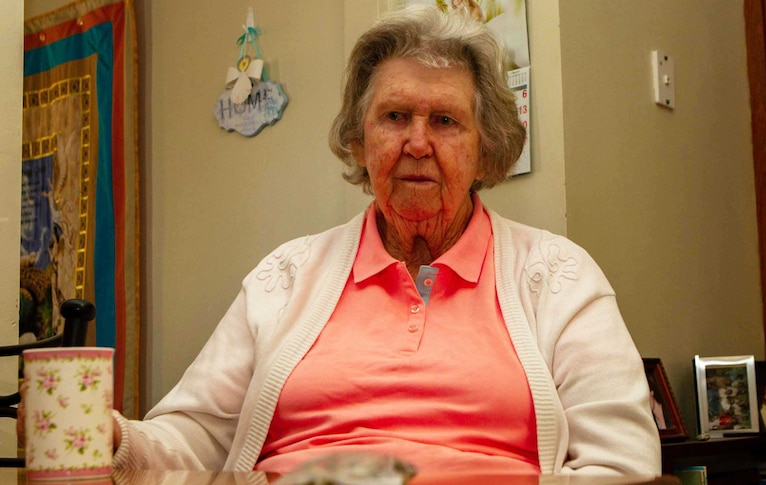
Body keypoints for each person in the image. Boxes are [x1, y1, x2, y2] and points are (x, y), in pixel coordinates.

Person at [20, 5, 660, 477]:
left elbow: (622, 463)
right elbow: (195, 435)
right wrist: (113, 441)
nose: (416, 142)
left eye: (444, 121)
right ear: (358, 141)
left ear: (486, 148)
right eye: (393, 117)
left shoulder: (560, 275)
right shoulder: (286, 275)